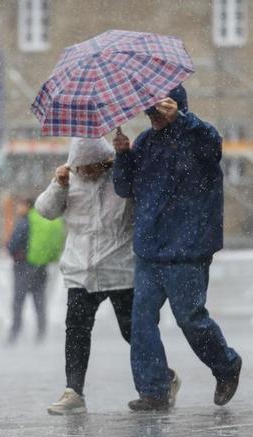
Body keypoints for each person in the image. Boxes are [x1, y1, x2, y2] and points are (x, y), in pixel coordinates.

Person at [112, 84, 243, 411]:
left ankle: (226, 365)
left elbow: (213, 146)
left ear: (175, 106)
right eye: (149, 111)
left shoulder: (198, 137)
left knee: (191, 319)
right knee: (141, 320)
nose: (153, 116)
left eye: (158, 110)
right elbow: (125, 187)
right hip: (149, 249)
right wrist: (123, 155)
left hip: (188, 248)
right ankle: (153, 389)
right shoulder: (144, 143)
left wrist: (184, 120)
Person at [35, 137, 180, 415]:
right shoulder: (68, 180)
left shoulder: (122, 178)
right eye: (82, 168)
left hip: (120, 269)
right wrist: (58, 185)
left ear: (105, 162)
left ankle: (164, 378)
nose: (87, 173)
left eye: (93, 167)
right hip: (80, 271)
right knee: (76, 333)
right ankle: (73, 392)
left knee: (133, 333)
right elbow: (45, 210)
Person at [6, 197, 64, 345]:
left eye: (20, 205)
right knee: (39, 301)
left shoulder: (26, 222)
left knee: (19, 301)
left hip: (24, 266)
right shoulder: (45, 220)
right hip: (42, 266)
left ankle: (15, 333)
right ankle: (41, 334)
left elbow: (13, 244)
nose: (18, 209)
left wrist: (11, 250)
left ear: (27, 206)